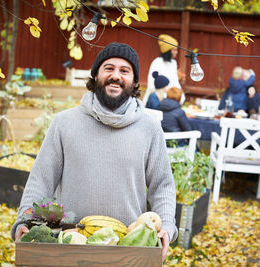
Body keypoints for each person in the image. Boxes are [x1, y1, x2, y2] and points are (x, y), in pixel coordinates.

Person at [11, 42, 177, 261]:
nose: (116, 75)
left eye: (124, 71)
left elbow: (162, 185)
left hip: (129, 248)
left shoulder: (150, 127)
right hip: (69, 246)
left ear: (135, 81)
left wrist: (165, 225)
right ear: (95, 75)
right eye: (109, 68)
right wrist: (24, 221)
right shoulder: (64, 123)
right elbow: (41, 179)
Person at [143, 34, 184, 106]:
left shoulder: (173, 63)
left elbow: (175, 81)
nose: (176, 52)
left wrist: (180, 94)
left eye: (176, 50)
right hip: (156, 100)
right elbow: (152, 85)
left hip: (171, 99)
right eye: (174, 50)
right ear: (167, 51)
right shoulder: (157, 62)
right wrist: (167, 95)